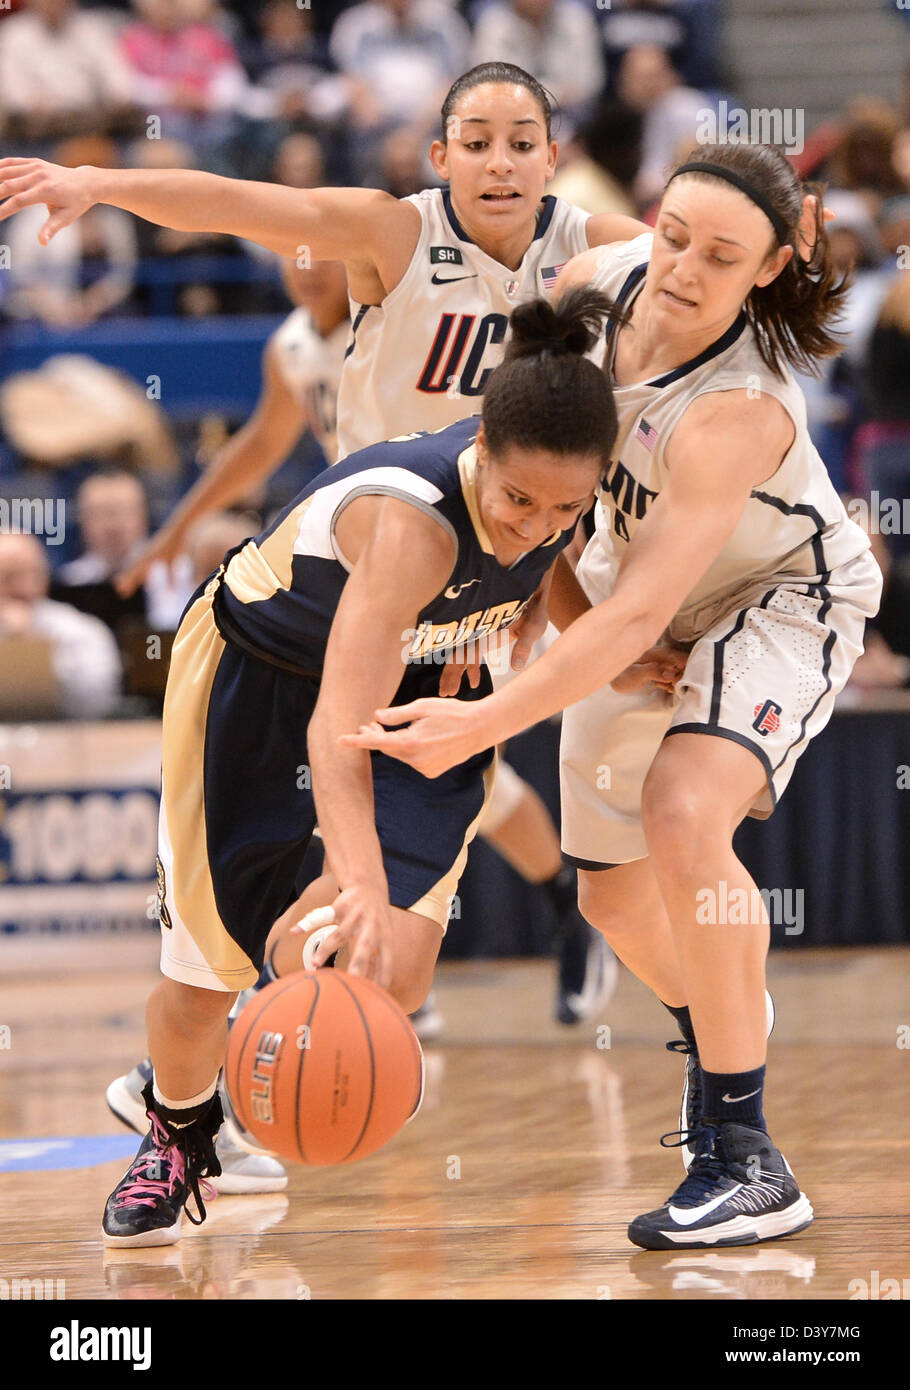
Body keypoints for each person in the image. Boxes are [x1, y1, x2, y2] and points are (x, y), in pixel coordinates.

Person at [0, 61, 645, 1024]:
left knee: (432, 783)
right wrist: (96, 185)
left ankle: (349, 996)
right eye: (476, 142)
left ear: (555, 157)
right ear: (440, 156)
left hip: (492, 567)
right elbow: (236, 201)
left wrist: (786, 263)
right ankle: (228, 1037)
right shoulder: (394, 230)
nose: (500, 163)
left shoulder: (600, 252)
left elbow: (711, 283)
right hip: (370, 555)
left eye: (522, 143)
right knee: (321, 798)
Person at [342, 142, 883, 1250]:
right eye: (673, 234)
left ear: (772, 267)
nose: (682, 267)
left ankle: (746, 1152)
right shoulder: (593, 291)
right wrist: (554, 625)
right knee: (610, 899)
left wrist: (487, 720)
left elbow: (646, 619)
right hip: (631, 588)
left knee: (685, 809)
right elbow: (520, 471)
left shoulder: (739, 406)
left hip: (776, 598)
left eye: (720, 256)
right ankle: (721, 1019)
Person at [96, 287, 621, 1246]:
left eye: (565, 507)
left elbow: (549, 565)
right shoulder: (412, 526)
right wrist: (356, 878)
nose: (534, 525)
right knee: (203, 981)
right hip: (264, 680)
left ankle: (261, 1045)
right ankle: (174, 1130)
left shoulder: (551, 497)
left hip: (422, 693)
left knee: (391, 968)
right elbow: (334, 726)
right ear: (481, 457)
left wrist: (527, 622)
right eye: (515, 501)